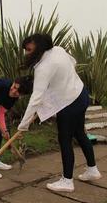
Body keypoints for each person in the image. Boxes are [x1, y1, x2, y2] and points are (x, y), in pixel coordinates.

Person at [18, 33, 101, 192]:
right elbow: (73, 62)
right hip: (81, 95)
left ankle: (67, 181)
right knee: (80, 134)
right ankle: (92, 170)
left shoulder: (43, 68)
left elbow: (36, 98)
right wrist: (62, 81)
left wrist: (23, 125)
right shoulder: (59, 50)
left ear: (39, 47)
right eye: (26, 50)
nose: (27, 53)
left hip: (69, 104)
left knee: (64, 139)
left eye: (29, 50)